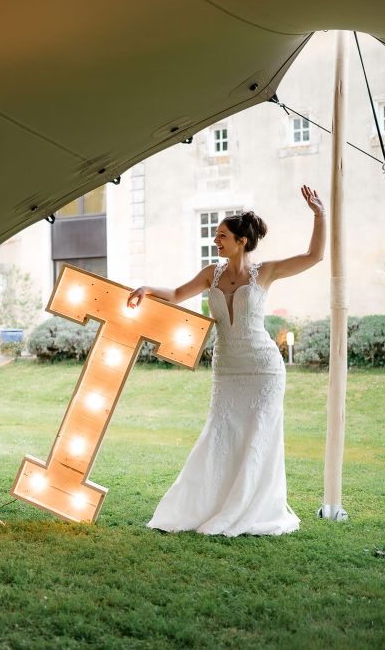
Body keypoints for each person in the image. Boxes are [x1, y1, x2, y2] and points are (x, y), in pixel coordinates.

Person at [127, 185, 326, 536]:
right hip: (227, 368)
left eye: (221, 236)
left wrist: (319, 215)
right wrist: (147, 289)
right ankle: (211, 505)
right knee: (219, 436)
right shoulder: (211, 274)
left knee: (258, 439)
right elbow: (176, 294)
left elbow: (314, 257)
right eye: (216, 235)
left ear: (241, 241)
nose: (216, 240)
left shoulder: (266, 272)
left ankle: (252, 508)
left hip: (264, 368)